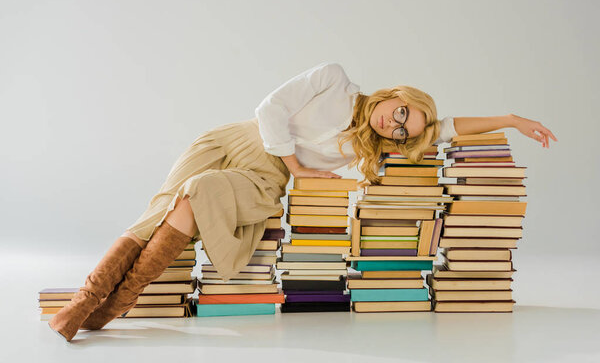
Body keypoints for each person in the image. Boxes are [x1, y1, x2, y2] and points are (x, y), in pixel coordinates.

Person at [48, 62, 557, 342]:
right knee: (158, 210)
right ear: (393, 94)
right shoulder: (334, 79)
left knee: (196, 196)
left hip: (263, 172)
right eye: (400, 111)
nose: (395, 124)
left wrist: (510, 120)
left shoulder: (367, 148)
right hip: (230, 138)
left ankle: (105, 303)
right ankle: (85, 308)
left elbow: (446, 128)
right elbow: (269, 109)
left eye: (404, 128)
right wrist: (298, 163)